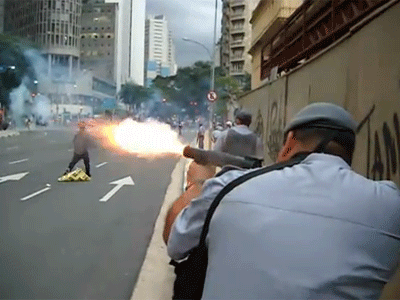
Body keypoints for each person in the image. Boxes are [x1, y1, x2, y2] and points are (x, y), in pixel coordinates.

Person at [163, 102, 400, 299]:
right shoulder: (390, 204)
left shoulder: (228, 187)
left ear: (288, 142)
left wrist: (198, 186)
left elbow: (175, 242)